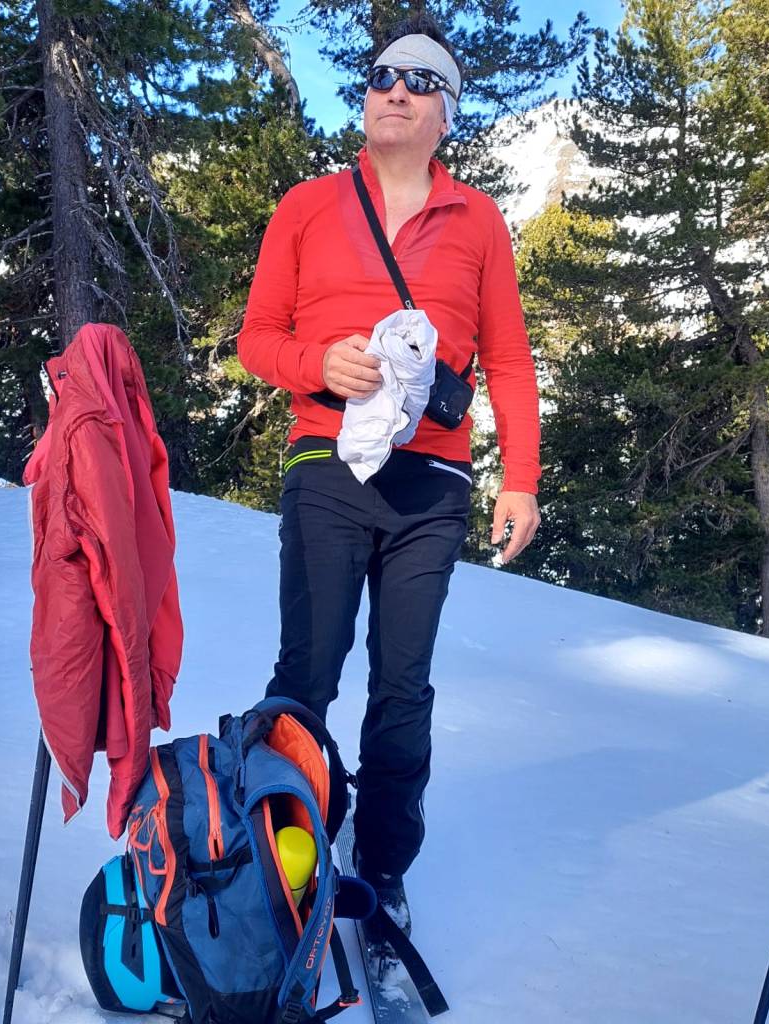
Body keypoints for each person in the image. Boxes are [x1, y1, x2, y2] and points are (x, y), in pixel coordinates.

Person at [237, 14, 541, 939]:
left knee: (402, 687)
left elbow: (509, 360)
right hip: (326, 464)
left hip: (432, 486)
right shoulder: (306, 206)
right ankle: (287, 850)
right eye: (381, 77)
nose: (395, 91)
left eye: (419, 80)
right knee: (308, 671)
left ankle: (382, 868)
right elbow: (257, 339)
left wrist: (520, 478)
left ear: (447, 112)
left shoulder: (478, 220)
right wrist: (317, 365)